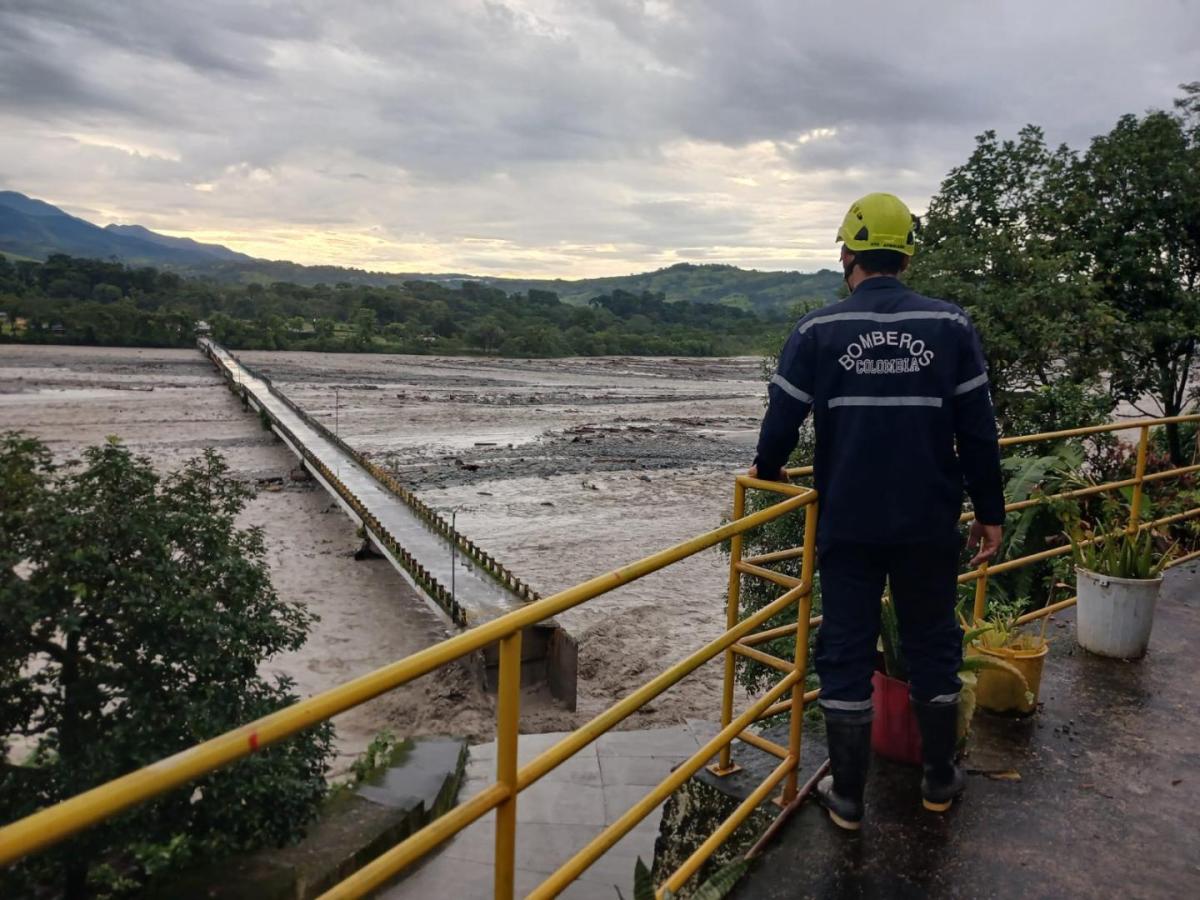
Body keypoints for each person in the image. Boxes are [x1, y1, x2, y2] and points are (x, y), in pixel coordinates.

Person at [749, 192, 1004, 830]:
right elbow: (978, 430)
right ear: (906, 257)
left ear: (847, 254)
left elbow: (780, 423)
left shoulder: (819, 330)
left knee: (845, 649)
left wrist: (772, 472)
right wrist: (990, 511)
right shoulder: (950, 327)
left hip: (849, 523)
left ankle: (850, 797)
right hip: (927, 521)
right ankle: (939, 779)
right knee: (932, 643)